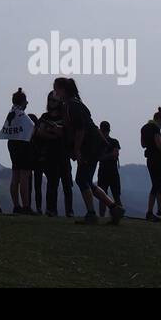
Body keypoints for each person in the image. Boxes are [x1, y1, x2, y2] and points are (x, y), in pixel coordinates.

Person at [54, 77, 124, 224]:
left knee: (81, 179)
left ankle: (92, 214)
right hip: (95, 145)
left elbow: (80, 129)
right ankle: (114, 208)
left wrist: (77, 150)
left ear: (63, 90)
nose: (55, 91)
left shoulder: (71, 105)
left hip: (89, 146)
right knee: (87, 181)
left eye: (56, 88)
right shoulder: (75, 103)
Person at [36, 91, 73, 217]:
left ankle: (69, 211)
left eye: (54, 100)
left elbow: (67, 133)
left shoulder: (65, 116)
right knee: (52, 183)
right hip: (50, 154)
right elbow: (39, 132)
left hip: (64, 153)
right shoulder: (45, 116)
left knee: (67, 184)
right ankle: (51, 210)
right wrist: (54, 134)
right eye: (50, 100)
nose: (52, 102)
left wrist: (55, 132)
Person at [0, 89, 36, 214]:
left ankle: (16, 205)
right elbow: (32, 127)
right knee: (24, 176)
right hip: (23, 145)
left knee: (15, 176)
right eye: (26, 101)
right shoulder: (21, 114)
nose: (27, 103)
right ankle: (26, 206)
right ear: (22, 102)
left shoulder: (12, 112)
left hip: (12, 144)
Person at [141, 107, 161, 222]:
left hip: (150, 159)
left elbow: (143, 144)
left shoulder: (144, 128)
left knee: (156, 184)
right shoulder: (155, 129)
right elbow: (160, 145)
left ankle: (156, 211)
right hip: (159, 159)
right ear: (159, 120)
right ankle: (153, 211)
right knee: (159, 185)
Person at [96, 121, 121, 216]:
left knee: (115, 195)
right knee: (103, 195)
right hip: (107, 170)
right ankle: (105, 215)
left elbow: (114, 154)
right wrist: (110, 155)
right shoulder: (113, 142)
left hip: (109, 170)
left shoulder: (112, 142)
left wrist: (104, 156)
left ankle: (117, 214)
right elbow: (114, 154)